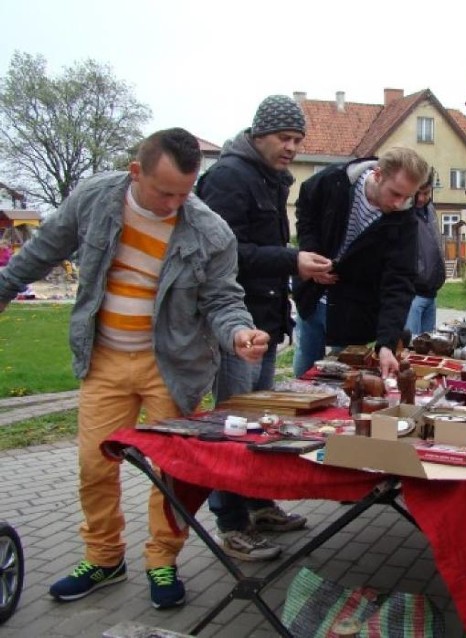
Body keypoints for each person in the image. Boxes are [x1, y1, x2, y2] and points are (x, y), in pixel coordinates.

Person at [0, 128, 270, 609]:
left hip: (174, 365)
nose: (173, 203)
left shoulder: (210, 231)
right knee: (93, 464)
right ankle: (104, 558)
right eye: (163, 191)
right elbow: (41, 252)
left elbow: (224, 300)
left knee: (171, 471)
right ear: (135, 173)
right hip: (104, 359)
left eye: (184, 193)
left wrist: (239, 333)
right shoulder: (93, 199)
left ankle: (162, 560)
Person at [196, 95, 333, 562]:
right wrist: (291, 259)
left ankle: (255, 502)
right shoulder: (230, 177)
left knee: (258, 422)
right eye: (284, 138)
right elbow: (225, 253)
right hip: (237, 321)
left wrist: (293, 268)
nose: (292, 147)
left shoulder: (272, 178)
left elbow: (267, 245)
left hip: (267, 318)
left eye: (298, 139)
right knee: (233, 423)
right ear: (259, 134)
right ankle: (230, 522)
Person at [292, 146, 430, 379]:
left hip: (354, 311)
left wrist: (386, 343)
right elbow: (306, 209)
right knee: (305, 375)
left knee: (345, 383)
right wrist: (311, 254)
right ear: (377, 175)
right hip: (313, 297)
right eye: (395, 194)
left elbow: (399, 282)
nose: (400, 203)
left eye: (408, 197)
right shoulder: (334, 181)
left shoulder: (405, 221)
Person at [404, 168, 446, 335]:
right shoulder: (405, 213)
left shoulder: (430, 209)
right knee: (410, 349)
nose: (422, 198)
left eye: (427, 193)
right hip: (413, 295)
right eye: (418, 193)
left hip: (431, 294)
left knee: (428, 349)